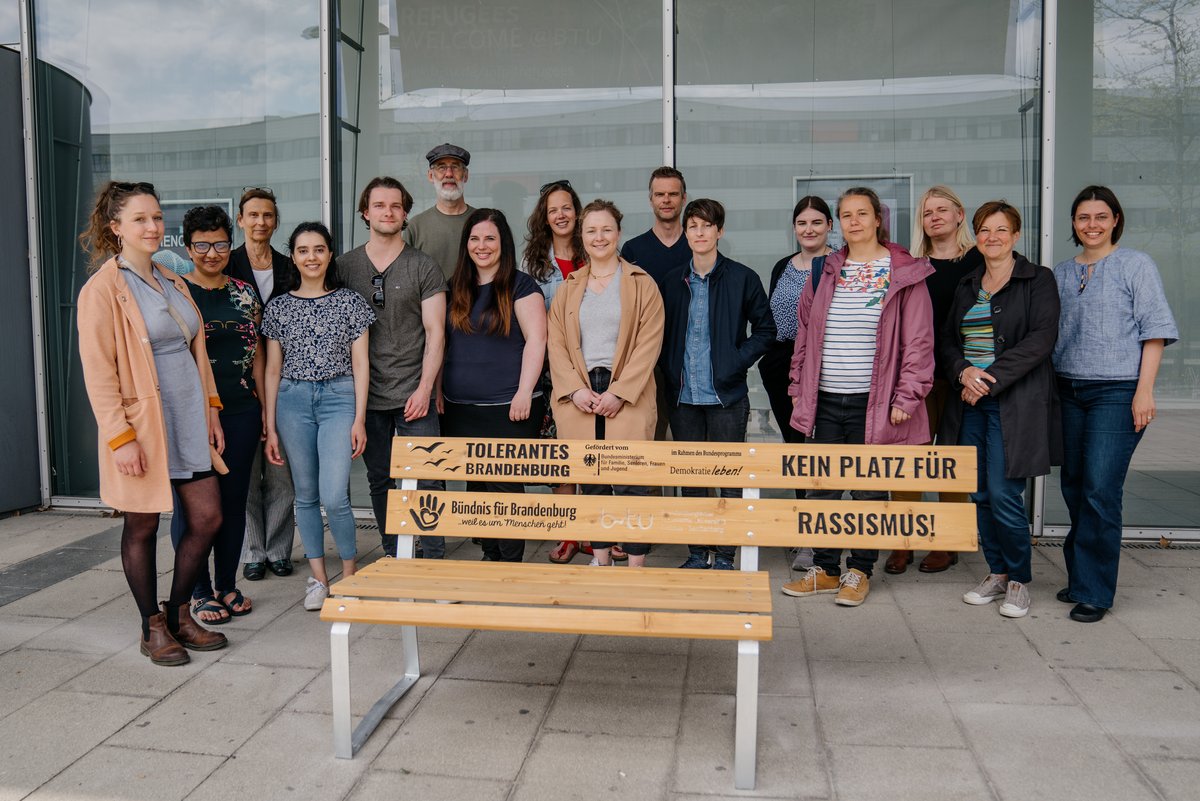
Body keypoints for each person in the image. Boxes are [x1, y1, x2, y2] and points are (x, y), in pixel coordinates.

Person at [76, 181, 228, 666]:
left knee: (207, 518)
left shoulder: (173, 279)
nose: (153, 226)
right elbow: (98, 372)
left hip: (187, 416)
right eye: (140, 218)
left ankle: (179, 611)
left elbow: (195, 353)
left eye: (157, 217)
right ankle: (152, 625)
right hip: (141, 425)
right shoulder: (102, 290)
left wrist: (210, 409)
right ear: (115, 227)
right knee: (141, 526)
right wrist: (120, 438)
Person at [782, 187, 935, 606]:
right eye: (846, 214)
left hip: (877, 401)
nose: (854, 221)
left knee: (869, 490)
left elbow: (919, 342)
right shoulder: (826, 270)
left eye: (861, 213)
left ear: (877, 219)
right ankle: (827, 570)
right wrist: (797, 390)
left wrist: (908, 396)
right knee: (824, 487)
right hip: (826, 397)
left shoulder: (904, 271)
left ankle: (859, 571)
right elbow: (804, 338)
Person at [1052, 186, 1178, 623]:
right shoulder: (1062, 272)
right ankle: (1083, 576)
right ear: (1073, 223)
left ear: (1116, 220)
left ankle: (1095, 592)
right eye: (1083, 217)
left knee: (1101, 489)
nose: (1092, 224)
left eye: (1101, 216)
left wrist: (1144, 391)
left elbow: (1155, 330)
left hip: (1117, 390)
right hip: (1068, 390)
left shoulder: (1135, 265)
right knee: (1073, 486)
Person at [939, 201, 1061, 618]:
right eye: (985, 230)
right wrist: (963, 372)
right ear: (976, 236)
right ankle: (996, 572)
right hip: (969, 402)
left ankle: (1019, 580)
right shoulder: (969, 283)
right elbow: (947, 342)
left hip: (1012, 404)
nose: (992, 238)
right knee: (979, 494)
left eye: (1001, 230)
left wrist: (985, 380)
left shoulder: (1037, 279)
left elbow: (1041, 339)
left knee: (1006, 494)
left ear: (1016, 235)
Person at [261, 222, 375, 611]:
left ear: (330, 255)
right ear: (293, 256)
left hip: (339, 398)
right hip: (292, 400)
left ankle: (349, 573)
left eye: (319, 249)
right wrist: (270, 425)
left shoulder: (351, 302)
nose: (311, 257)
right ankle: (318, 579)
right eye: (303, 250)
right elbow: (272, 369)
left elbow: (361, 365)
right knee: (305, 496)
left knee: (334, 495)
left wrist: (359, 419)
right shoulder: (277, 307)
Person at [547, 199, 665, 567]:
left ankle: (635, 565)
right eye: (591, 230)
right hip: (581, 392)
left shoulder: (641, 284)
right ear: (582, 236)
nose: (599, 237)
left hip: (625, 391)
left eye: (606, 229)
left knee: (631, 482)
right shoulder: (569, 287)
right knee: (591, 480)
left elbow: (649, 343)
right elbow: (557, 343)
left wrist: (620, 392)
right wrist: (576, 389)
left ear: (618, 233)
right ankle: (600, 560)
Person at [659, 198, 775, 570]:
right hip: (684, 397)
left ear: (719, 231)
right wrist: (667, 369)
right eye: (693, 226)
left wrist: (735, 362)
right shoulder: (672, 281)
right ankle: (698, 552)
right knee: (692, 480)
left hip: (726, 396)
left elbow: (766, 329)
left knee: (728, 480)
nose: (699, 232)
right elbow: (658, 335)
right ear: (686, 233)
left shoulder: (742, 278)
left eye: (707, 226)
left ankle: (725, 555)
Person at [338, 176, 447, 559]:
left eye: (396, 206)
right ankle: (392, 551)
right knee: (380, 477)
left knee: (429, 477)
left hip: (413, 393)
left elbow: (436, 334)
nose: (388, 212)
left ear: (405, 214)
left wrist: (424, 388)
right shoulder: (344, 267)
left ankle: (433, 551)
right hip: (365, 394)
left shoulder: (423, 266)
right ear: (366, 212)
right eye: (380, 205)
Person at [169, 206, 264, 624]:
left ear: (231, 243)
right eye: (202, 245)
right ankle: (198, 589)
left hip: (241, 410)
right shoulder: (174, 293)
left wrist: (264, 409)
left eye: (220, 244)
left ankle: (225, 584)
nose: (212, 253)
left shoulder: (245, 293)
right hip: (188, 414)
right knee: (192, 508)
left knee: (232, 501)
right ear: (188, 247)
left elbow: (258, 355)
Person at [886, 185, 986, 575]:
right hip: (916, 375)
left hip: (962, 375)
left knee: (950, 460)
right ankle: (902, 541)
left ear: (960, 215)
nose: (935, 217)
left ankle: (946, 541)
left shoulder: (980, 260)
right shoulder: (911, 265)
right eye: (928, 213)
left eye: (943, 210)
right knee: (908, 458)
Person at [441, 209, 547, 562]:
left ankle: (511, 563)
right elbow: (442, 343)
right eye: (474, 238)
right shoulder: (454, 286)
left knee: (505, 487)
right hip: (460, 408)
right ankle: (490, 555)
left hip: (508, 408)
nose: (481, 246)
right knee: (476, 486)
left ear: (503, 243)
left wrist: (523, 391)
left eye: (490, 238)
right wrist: (438, 388)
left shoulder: (521, 285)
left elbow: (536, 341)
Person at [225, 187, 297, 582]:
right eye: (253, 215)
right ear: (240, 219)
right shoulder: (227, 263)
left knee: (283, 472)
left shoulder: (290, 266)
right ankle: (253, 550)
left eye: (268, 215)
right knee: (248, 473)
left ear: (275, 221)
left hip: (285, 381)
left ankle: (280, 549)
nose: (260, 222)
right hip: (241, 382)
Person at [760, 196, 833, 571]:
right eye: (802, 223)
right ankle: (806, 532)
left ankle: (821, 538)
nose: (809, 229)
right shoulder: (782, 267)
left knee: (820, 450)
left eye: (817, 222)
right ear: (794, 227)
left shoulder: (838, 265)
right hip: (781, 366)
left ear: (829, 227)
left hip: (822, 368)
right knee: (796, 448)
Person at [523, 179, 586, 563]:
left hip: (595, 371)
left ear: (576, 212)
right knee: (559, 453)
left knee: (594, 452)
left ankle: (594, 529)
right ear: (544, 218)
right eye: (553, 210)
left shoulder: (596, 251)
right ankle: (569, 532)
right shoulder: (532, 264)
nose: (560, 215)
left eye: (566, 207)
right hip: (551, 373)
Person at [622, 166, 691, 442]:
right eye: (659, 194)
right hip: (648, 362)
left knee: (698, 453)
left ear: (683, 198)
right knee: (650, 444)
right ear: (650, 199)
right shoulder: (633, 250)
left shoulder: (698, 244)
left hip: (691, 360)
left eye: (673, 194)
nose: (666, 200)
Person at [404, 143, 475, 280]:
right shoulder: (416, 226)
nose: (449, 174)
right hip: (428, 302)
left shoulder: (483, 222)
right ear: (431, 176)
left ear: (465, 175)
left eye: (455, 167)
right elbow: (408, 279)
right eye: (441, 167)